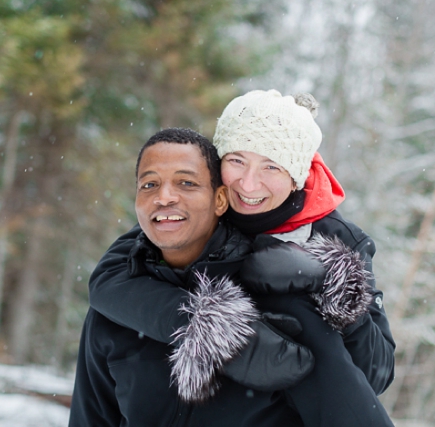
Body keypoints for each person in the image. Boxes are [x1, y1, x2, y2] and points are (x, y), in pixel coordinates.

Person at [69, 128, 394, 426]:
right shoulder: (114, 310)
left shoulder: (283, 307)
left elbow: (358, 409)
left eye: (187, 183)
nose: (164, 197)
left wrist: (336, 288)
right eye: (149, 184)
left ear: (221, 199)